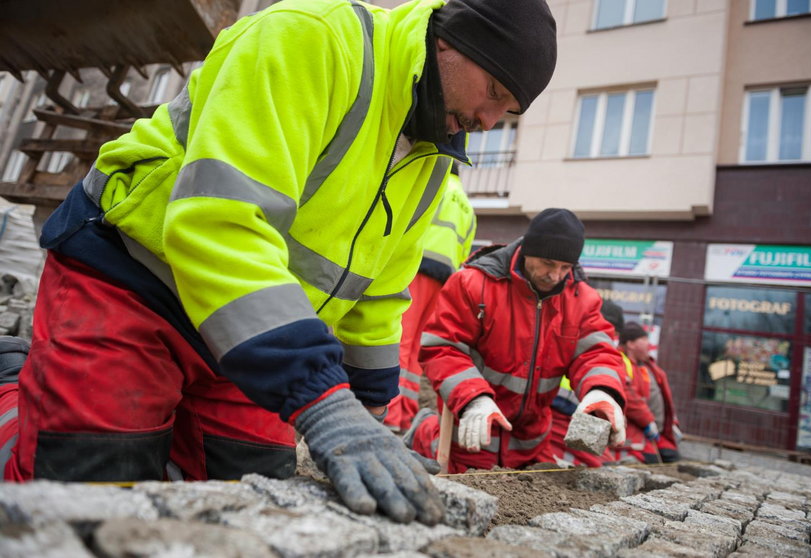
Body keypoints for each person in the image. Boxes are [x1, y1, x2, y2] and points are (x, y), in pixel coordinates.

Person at [0, 0, 558, 525]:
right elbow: (221, 221)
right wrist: (321, 401)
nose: (488, 121)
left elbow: (380, 287)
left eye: (505, 112)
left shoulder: (433, 151)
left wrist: (364, 407)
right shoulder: (312, 40)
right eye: (492, 91)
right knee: (86, 502)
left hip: (246, 333)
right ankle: (13, 395)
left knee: (249, 495)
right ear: (450, 43)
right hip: (134, 281)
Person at [404, 208, 627, 473]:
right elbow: (442, 346)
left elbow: (596, 352)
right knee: (461, 477)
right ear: (527, 251)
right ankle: (424, 432)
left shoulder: (582, 300)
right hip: (472, 424)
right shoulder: (474, 283)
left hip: (530, 440)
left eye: (565, 267)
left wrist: (603, 390)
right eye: (547, 263)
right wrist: (473, 398)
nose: (555, 275)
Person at [385, 165, 476, 433]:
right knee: (416, 349)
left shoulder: (433, 182)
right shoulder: (468, 207)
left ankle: (388, 410)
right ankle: (404, 415)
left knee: (400, 338)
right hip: (445, 280)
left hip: (415, 267)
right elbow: (465, 253)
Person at [548, 299, 627, 468]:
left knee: (604, 464)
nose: (615, 338)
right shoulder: (571, 341)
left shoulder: (611, 359)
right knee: (598, 464)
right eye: (614, 332)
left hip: (576, 418)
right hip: (555, 415)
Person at [619, 322, 681, 463]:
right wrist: (647, 421)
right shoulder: (621, 362)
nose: (649, 344)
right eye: (644, 339)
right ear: (630, 344)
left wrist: (672, 423)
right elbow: (628, 395)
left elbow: (666, 399)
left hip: (658, 433)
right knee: (651, 460)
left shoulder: (650, 366)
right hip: (636, 432)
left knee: (672, 457)